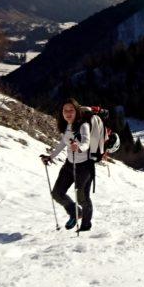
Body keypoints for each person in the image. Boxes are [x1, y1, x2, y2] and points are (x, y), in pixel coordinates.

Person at [41, 98, 94, 231]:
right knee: (57, 193)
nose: (68, 113)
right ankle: (75, 213)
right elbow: (63, 143)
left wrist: (79, 147)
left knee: (82, 197)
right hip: (69, 165)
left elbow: (86, 142)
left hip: (84, 167)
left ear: (76, 111)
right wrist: (50, 157)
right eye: (65, 110)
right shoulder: (66, 126)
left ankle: (86, 225)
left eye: (71, 110)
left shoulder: (83, 125)